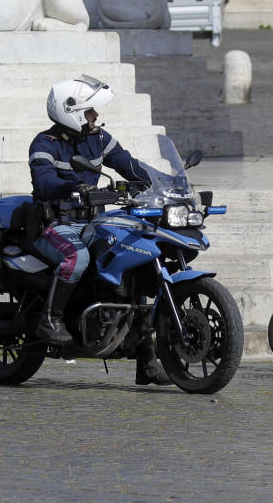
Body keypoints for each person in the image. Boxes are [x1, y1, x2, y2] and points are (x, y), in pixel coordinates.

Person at [28, 74, 171, 385]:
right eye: (90, 112)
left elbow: (127, 163)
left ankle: (146, 358)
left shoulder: (100, 139)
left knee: (133, 259)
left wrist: (163, 181)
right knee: (76, 258)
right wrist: (72, 187)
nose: (95, 117)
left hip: (92, 222)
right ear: (74, 112)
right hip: (55, 224)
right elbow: (44, 182)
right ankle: (49, 320)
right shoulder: (45, 143)